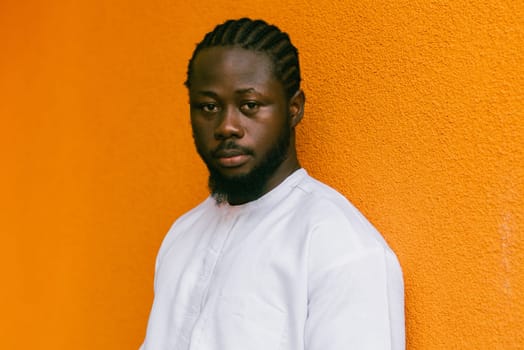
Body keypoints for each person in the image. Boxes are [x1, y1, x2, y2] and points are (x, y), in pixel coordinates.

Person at [140, 18, 405, 350]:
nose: (227, 126)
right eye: (209, 107)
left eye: (249, 105)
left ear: (294, 109)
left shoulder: (338, 247)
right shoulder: (182, 236)